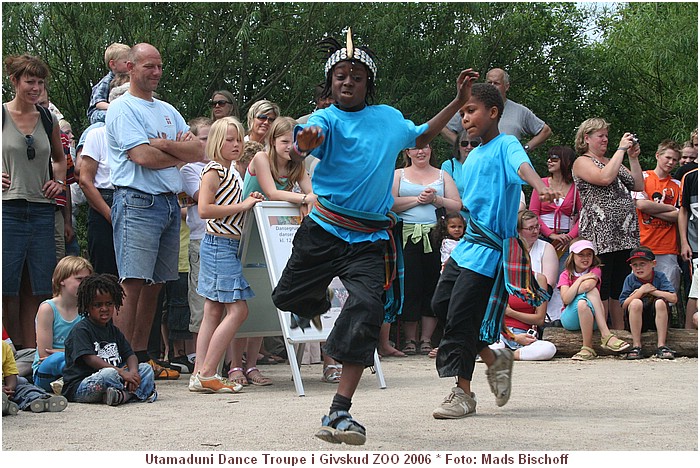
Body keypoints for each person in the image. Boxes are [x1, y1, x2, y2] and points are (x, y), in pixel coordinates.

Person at [271, 29, 478, 443]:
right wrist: (303, 142)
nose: (347, 82)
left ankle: (339, 412)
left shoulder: (386, 118)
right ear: (330, 83)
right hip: (324, 231)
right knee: (287, 299)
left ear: (369, 83)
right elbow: (302, 142)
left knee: (367, 312)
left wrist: (458, 100)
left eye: (357, 76)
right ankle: (317, 298)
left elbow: (420, 136)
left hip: (368, 239)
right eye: (340, 76)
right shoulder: (323, 119)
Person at [429, 81, 557, 420]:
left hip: (487, 252)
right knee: (440, 304)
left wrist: (539, 185)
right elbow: (465, 205)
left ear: (493, 112)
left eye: (470, 111)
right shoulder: (471, 158)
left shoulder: (506, 144)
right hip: (466, 245)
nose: (465, 118)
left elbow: (522, 166)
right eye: (462, 113)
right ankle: (494, 359)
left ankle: (463, 394)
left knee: (460, 317)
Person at [105, 43, 203, 379]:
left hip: (168, 202)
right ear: (130, 67)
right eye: (149, 66)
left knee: (156, 283)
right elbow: (142, 157)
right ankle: (117, 358)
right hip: (137, 199)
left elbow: (199, 149)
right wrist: (177, 153)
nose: (157, 72)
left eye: (160, 66)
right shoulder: (122, 109)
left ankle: (141, 354)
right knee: (132, 282)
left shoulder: (167, 110)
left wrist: (164, 146)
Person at [189, 117, 264, 393]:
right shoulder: (214, 170)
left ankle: (200, 372)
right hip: (219, 244)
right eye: (230, 139)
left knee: (213, 310)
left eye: (238, 139)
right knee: (238, 309)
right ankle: (208, 371)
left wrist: (247, 201)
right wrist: (243, 205)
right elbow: (204, 209)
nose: (236, 144)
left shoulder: (231, 171)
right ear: (218, 141)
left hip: (225, 244)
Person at [2, 54, 67, 350]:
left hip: (42, 209)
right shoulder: (2, 115)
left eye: (40, 82)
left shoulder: (47, 118)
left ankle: (34, 354)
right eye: (30, 81)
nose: (36, 87)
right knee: (6, 287)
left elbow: (59, 158)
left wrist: (60, 181)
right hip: (8, 208)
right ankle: (7, 355)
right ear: (14, 81)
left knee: (40, 286)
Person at [572, 117, 644, 329]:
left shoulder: (613, 161)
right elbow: (604, 178)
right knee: (603, 284)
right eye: (600, 136)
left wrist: (632, 158)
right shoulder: (582, 161)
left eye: (606, 136)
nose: (605, 140)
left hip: (624, 234)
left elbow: (638, 184)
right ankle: (603, 331)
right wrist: (621, 150)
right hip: (600, 233)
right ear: (587, 138)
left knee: (619, 285)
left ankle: (620, 331)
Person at [391, 143, 462, 356]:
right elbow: (388, 203)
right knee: (409, 285)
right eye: (415, 148)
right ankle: (409, 339)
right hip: (406, 235)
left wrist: (436, 199)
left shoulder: (442, 175)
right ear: (407, 152)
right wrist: (417, 199)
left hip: (437, 236)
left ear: (431, 150)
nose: (420, 152)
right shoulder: (398, 174)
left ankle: (426, 339)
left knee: (433, 284)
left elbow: (457, 205)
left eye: (425, 147)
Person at [61, 274, 157, 405]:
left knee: (146, 369)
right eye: (98, 305)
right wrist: (122, 373)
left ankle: (121, 395)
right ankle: (132, 394)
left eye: (109, 304)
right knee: (109, 374)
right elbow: (90, 359)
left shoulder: (113, 330)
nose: (104, 309)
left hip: (117, 379)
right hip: (84, 385)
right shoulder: (81, 330)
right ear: (87, 306)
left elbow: (130, 355)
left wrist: (133, 373)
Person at [79, 75, 130, 276]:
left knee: (136, 277)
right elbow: (84, 180)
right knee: (105, 274)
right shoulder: (96, 134)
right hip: (103, 203)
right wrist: (110, 215)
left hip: (136, 203)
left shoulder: (144, 136)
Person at [441, 68, 552, 151]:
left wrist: (525, 148)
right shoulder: (472, 108)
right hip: (479, 166)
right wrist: (462, 146)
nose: (493, 86)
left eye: (497, 83)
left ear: (506, 86)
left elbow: (545, 131)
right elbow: (444, 128)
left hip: (507, 168)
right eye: (489, 83)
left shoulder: (520, 111)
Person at [558, 240, 631, 360]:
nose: (585, 258)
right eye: (581, 255)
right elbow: (566, 299)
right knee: (589, 293)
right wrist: (581, 280)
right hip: (570, 318)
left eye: (589, 254)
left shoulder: (596, 270)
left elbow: (588, 286)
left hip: (592, 316)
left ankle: (587, 348)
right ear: (572, 256)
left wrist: (575, 287)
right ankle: (606, 334)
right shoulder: (565, 275)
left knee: (584, 301)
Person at [32, 256, 93, 392]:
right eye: (79, 279)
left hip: (81, 363)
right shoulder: (48, 309)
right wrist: (78, 354)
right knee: (59, 359)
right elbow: (45, 354)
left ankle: (84, 384)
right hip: (48, 371)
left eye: (87, 280)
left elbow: (94, 347)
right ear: (62, 280)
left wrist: (73, 353)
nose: (85, 284)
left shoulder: (88, 309)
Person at [179, 117, 213, 366]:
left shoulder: (227, 167)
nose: (210, 142)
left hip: (228, 239)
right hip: (202, 239)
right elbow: (203, 200)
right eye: (204, 138)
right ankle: (199, 359)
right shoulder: (190, 169)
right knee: (200, 300)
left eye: (213, 136)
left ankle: (219, 356)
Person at [633, 140, 682, 294]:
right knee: (639, 294)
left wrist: (651, 206)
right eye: (667, 157)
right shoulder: (643, 177)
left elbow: (680, 215)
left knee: (667, 295)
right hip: (643, 243)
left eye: (674, 160)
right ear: (657, 155)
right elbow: (640, 205)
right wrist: (670, 208)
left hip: (668, 247)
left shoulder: (678, 184)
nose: (671, 162)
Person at [618, 247, 677, 360]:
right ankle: (636, 345)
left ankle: (661, 345)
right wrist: (640, 292)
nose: (638, 268)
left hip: (656, 319)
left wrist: (652, 291)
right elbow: (624, 304)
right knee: (635, 303)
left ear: (653, 263)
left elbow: (673, 298)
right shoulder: (630, 279)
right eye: (635, 265)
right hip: (636, 319)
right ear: (631, 266)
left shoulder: (660, 276)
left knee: (660, 303)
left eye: (642, 264)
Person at [529, 146, 581, 256]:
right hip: (541, 237)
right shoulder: (540, 184)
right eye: (548, 158)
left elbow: (583, 216)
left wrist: (569, 236)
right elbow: (533, 213)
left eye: (554, 159)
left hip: (565, 241)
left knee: (563, 271)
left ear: (566, 162)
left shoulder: (576, 187)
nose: (549, 161)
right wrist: (550, 234)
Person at [3, 340, 68, 415]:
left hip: (5, 387)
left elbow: (10, 374)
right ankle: (5, 405)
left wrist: (10, 388)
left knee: (25, 388)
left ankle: (39, 400)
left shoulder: (4, 346)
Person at [87, 42, 130, 124]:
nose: (129, 65)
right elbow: (98, 103)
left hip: (113, 108)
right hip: (98, 112)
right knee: (116, 115)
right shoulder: (106, 81)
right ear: (113, 64)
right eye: (125, 62)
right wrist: (114, 107)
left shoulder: (128, 78)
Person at [441, 129, 479, 220]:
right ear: (458, 146)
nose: (469, 147)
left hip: (480, 218)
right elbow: (444, 194)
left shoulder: (484, 166)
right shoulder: (449, 166)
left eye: (474, 144)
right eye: (464, 143)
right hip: (455, 220)